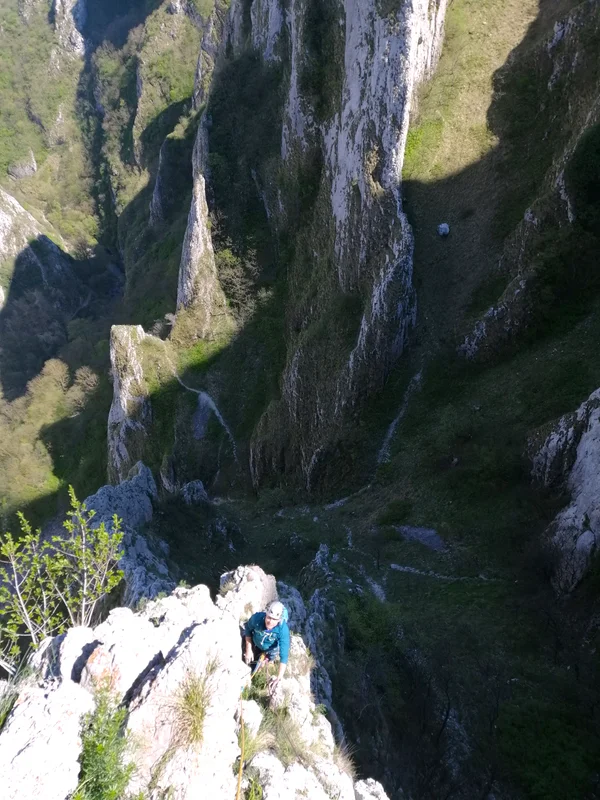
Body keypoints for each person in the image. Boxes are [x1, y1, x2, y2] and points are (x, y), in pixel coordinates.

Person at [243, 600, 290, 691]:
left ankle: (269, 660)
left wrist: (278, 678)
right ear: (266, 615)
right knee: (248, 658)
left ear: (279, 620)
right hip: (256, 642)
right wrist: (249, 650)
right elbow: (248, 629)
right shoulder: (257, 619)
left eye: (274, 619)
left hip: (271, 648)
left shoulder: (283, 630)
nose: (270, 622)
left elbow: (284, 655)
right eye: (269, 617)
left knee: (271, 655)